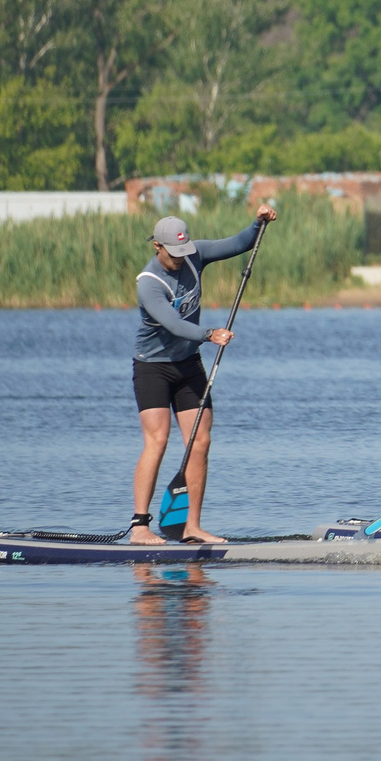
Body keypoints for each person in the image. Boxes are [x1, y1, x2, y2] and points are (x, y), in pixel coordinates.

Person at [128, 202, 277, 543]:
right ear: (157, 247)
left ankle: (191, 527)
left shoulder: (195, 254)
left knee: (200, 441)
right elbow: (173, 324)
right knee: (158, 441)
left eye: (184, 250)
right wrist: (209, 334)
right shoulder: (149, 284)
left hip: (188, 365)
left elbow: (239, 244)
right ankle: (139, 527)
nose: (179, 257)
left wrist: (257, 223)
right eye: (173, 252)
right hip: (152, 368)